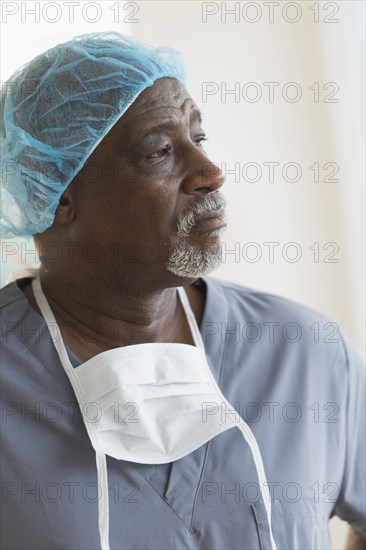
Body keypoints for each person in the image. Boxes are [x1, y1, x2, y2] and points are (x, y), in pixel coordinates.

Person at [0, 32, 365, 550]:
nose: (211, 173)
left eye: (200, 139)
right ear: (55, 190)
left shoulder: (305, 353)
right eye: (161, 152)